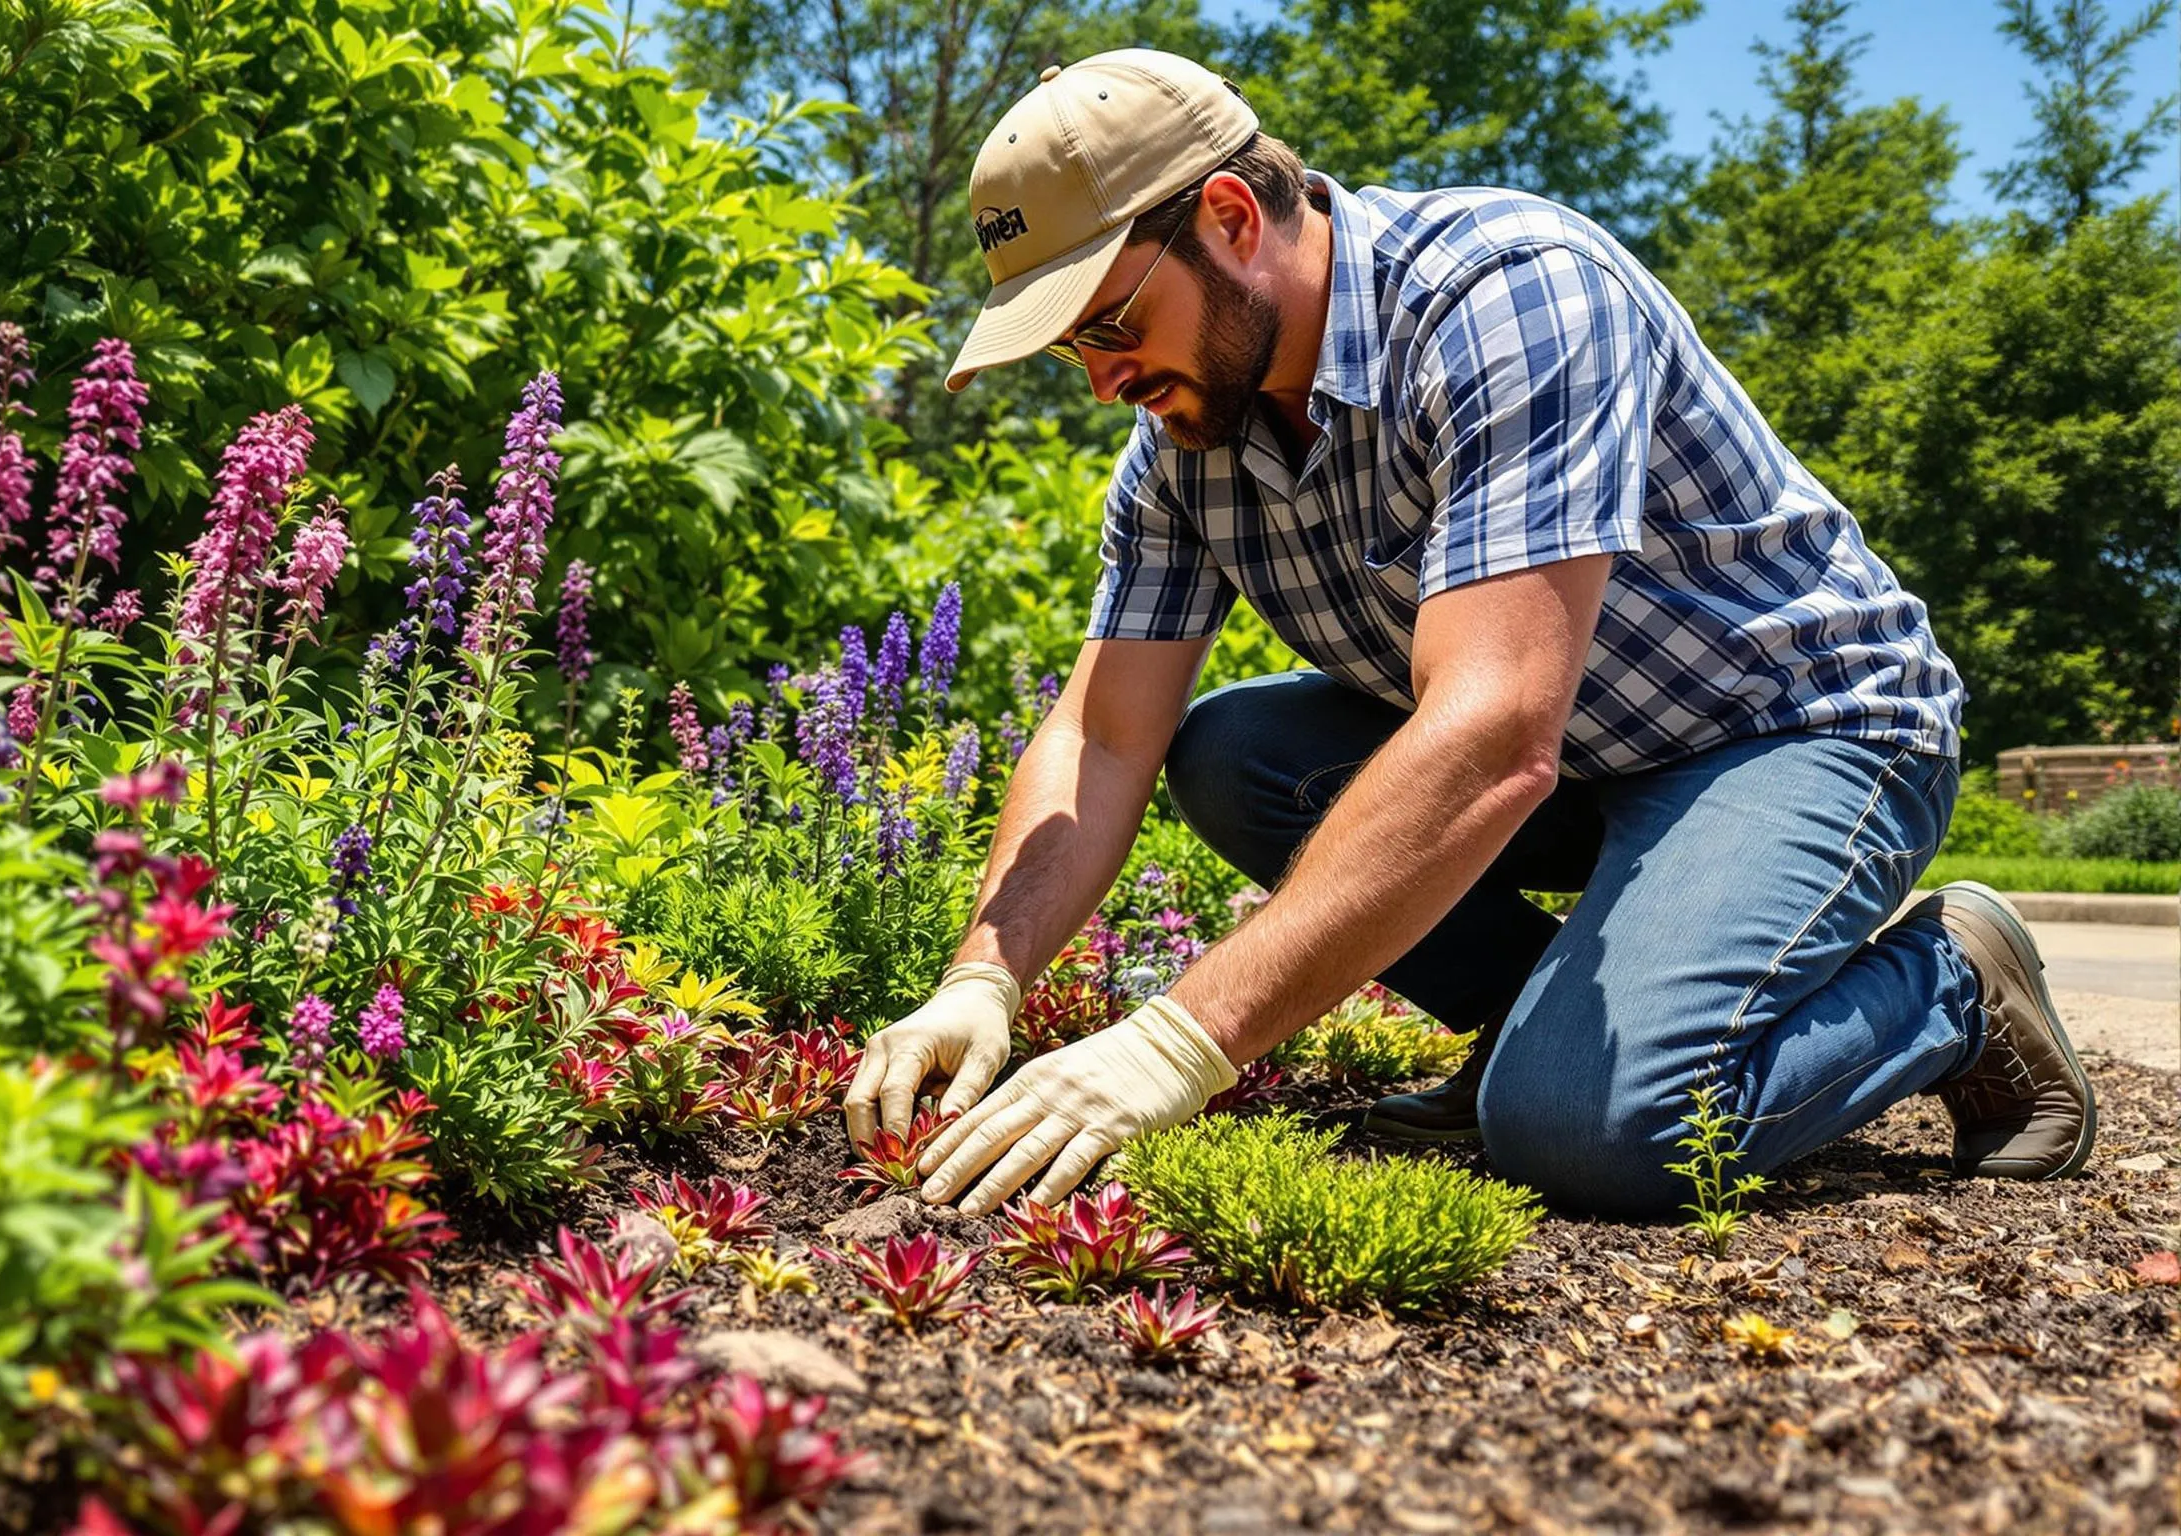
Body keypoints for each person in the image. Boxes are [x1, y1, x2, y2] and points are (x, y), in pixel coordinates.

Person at [840, 47, 2097, 1220]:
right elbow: (1106, 736)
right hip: (1593, 754)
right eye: (1069, 348)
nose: (1103, 378)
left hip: (1792, 731)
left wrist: (1181, 1041)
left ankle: (1953, 982)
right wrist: (981, 978)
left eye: (1109, 324)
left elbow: (1493, 737)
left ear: (1227, 217)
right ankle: (1535, 1029)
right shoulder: (1184, 446)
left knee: (1599, 1136)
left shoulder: (1508, 297)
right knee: (1234, 753)